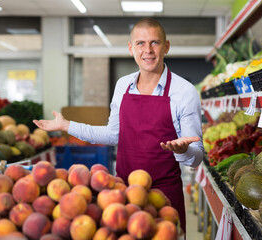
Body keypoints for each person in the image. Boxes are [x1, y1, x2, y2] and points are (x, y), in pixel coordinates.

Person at [33, 17, 204, 233]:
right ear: (131, 48)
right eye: (141, 43)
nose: (148, 50)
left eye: (155, 42)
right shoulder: (123, 85)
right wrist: (67, 125)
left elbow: (197, 156)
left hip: (164, 196)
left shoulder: (185, 92)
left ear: (166, 46)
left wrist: (184, 150)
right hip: (122, 194)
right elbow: (114, 135)